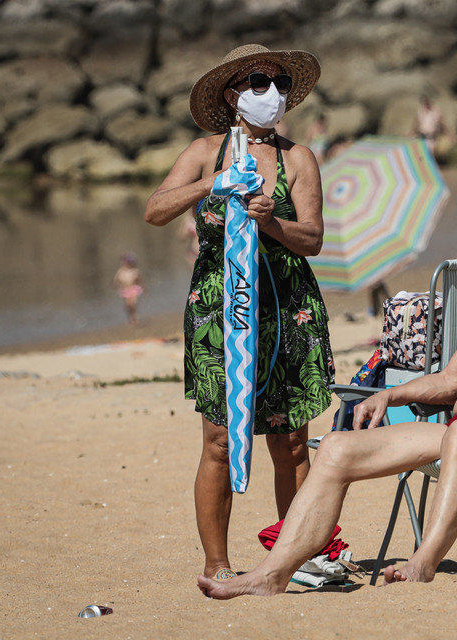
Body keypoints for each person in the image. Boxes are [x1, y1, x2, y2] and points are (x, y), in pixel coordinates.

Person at [196, 178, 457, 597]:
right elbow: (453, 379)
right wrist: (390, 394)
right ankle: (273, 574)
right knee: (337, 449)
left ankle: (423, 562)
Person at [144, 44, 336, 581]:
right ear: (233, 94)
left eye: (277, 81)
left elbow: (314, 238)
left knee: (291, 439)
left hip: (286, 310)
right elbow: (156, 210)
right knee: (218, 438)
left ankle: (297, 558)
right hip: (219, 311)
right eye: (258, 80)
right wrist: (214, 182)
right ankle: (218, 563)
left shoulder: (299, 159)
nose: (270, 91)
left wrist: (273, 222)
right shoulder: (205, 150)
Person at [113, 250, 144, 326]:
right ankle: (130, 318)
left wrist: (143, 287)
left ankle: (135, 317)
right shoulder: (121, 271)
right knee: (127, 305)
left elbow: (139, 279)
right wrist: (116, 284)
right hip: (125, 289)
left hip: (132, 288)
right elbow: (117, 279)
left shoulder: (135, 271)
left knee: (133, 304)